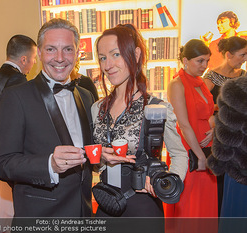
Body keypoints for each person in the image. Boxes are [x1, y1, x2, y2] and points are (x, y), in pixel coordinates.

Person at [0, 18, 95, 217]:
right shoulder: (15, 97)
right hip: (41, 214)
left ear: (76, 53)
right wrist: (49, 165)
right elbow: (2, 163)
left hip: (83, 211)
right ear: (39, 53)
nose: (60, 58)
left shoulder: (85, 96)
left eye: (67, 49)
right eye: (50, 49)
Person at [91, 24, 188, 218]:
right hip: (106, 205)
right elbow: (95, 162)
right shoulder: (97, 108)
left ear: (135, 54)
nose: (107, 65)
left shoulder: (156, 108)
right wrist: (99, 159)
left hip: (142, 208)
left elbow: (179, 154)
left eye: (115, 54)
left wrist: (164, 185)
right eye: (102, 58)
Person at [167, 39, 217, 218]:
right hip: (189, 152)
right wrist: (200, 156)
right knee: (189, 205)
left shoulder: (201, 83)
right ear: (186, 60)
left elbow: (209, 115)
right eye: (200, 61)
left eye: (207, 61)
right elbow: (183, 124)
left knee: (205, 205)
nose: (205, 65)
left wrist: (215, 128)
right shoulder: (177, 84)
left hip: (207, 149)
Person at [207, 75, 247, 218]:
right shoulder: (234, 90)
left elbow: (224, 133)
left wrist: (219, 161)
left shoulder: (234, 89)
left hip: (238, 171)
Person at [0, 34, 37, 120]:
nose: (35, 62)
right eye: (34, 58)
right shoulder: (17, 79)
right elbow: (23, 117)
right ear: (23, 60)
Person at [204, 36, 247, 109]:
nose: (245, 59)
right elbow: (200, 105)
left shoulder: (243, 75)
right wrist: (219, 107)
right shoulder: (211, 77)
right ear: (228, 55)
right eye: (242, 55)